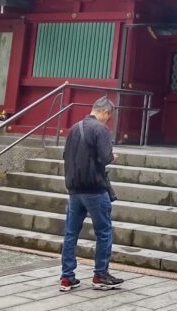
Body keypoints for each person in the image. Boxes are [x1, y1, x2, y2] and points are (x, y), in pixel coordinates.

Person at [60, 96, 124, 292]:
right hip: (94, 189)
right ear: (104, 112)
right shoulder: (100, 130)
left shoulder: (74, 128)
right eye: (109, 116)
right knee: (104, 232)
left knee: (71, 233)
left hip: (74, 188)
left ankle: (67, 277)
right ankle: (100, 274)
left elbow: (66, 155)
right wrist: (112, 156)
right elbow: (105, 157)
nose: (108, 120)